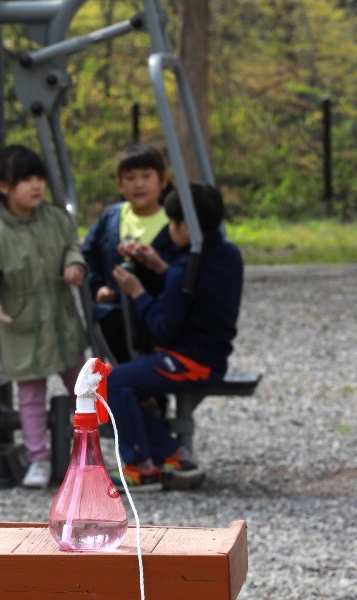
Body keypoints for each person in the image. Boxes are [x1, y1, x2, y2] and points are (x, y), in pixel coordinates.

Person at [105, 184, 243, 492]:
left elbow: (162, 328)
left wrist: (137, 292)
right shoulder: (228, 255)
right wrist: (160, 267)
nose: (170, 229)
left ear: (185, 226)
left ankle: (139, 466)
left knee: (114, 382)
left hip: (186, 361)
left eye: (172, 222)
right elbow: (196, 292)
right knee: (127, 384)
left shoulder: (185, 270)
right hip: (213, 358)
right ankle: (172, 455)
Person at [0, 145, 88, 489]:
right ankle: (38, 459)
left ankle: (94, 453)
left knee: (85, 389)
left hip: (61, 322)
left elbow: (71, 246)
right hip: (22, 328)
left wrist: (74, 264)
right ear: (4, 187)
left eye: (39, 178)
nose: (36, 186)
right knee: (30, 396)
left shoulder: (56, 219)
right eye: (26, 180)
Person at [81, 143, 178, 364]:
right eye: (130, 178)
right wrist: (98, 288)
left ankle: (152, 398)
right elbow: (89, 255)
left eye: (146, 176)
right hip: (116, 313)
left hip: (157, 313)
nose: (139, 184)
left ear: (162, 181)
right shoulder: (111, 217)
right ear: (120, 184)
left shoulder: (173, 221)